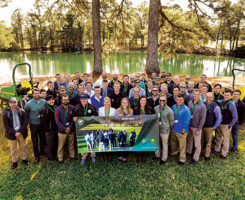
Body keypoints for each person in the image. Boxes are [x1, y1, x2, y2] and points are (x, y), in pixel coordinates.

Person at [3, 97, 30, 170]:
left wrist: (20, 131)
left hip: (21, 133)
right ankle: (14, 162)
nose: (13, 104)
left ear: (17, 103)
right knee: (13, 149)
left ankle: (24, 159)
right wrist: (14, 132)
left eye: (14, 102)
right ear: (9, 104)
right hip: (12, 134)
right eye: (11, 103)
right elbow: (6, 126)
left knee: (23, 147)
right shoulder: (6, 113)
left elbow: (25, 122)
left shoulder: (22, 111)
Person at [73, 93, 98, 164]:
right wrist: (74, 118)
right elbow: (73, 116)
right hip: (81, 129)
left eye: (85, 99)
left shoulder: (92, 107)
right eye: (82, 99)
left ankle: (93, 155)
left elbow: (96, 117)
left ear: (87, 99)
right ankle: (83, 156)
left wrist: (94, 117)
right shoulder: (76, 108)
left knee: (92, 140)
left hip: (90, 129)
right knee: (84, 142)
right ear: (80, 100)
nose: (83, 100)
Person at [215, 89, 238, 159]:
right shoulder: (221, 102)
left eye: (227, 95)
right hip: (219, 123)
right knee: (218, 137)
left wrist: (230, 125)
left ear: (231, 96)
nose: (226, 96)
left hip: (226, 125)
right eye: (225, 95)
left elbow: (235, 117)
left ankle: (224, 153)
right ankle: (217, 149)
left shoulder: (231, 105)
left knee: (226, 140)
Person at [24, 88, 46, 162]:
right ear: (33, 94)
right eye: (35, 93)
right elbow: (26, 114)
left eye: (38, 93)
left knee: (42, 139)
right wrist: (27, 124)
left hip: (42, 124)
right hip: (34, 125)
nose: (36, 95)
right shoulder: (28, 104)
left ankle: (42, 152)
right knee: (35, 140)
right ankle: (36, 155)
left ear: (40, 93)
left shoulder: (44, 102)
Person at [187, 89, 207, 165]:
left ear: (200, 95)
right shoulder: (189, 103)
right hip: (189, 126)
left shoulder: (202, 106)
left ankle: (195, 158)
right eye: (194, 94)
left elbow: (203, 119)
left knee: (197, 144)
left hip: (196, 127)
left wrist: (199, 129)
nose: (195, 96)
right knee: (189, 140)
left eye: (197, 94)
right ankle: (188, 152)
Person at [171, 94, 191, 165]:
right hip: (174, 129)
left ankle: (182, 159)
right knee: (174, 143)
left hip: (181, 131)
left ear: (183, 100)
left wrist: (182, 132)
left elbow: (186, 122)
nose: (179, 101)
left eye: (180, 100)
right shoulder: (173, 107)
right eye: (178, 99)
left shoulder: (186, 109)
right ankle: (175, 152)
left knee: (182, 146)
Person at [154, 94, 174, 165]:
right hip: (156, 129)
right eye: (160, 100)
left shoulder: (169, 110)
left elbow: (171, 122)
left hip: (165, 130)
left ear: (166, 101)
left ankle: (164, 158)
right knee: (157, 143)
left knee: (164, 144)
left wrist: (169, 129)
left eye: (163, 100)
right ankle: (157, 155)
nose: (162, 101)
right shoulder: (156, 108)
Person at [55, 94, 75, 164]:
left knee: (71, 144)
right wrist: (64, 128)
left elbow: (73, 119)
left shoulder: (72, 108)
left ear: (68, 100)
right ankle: (60, 158)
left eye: (66, 100)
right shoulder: (57, 109)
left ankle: (72, 156)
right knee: (61, 145)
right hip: (61, 131)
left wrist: (69, 127)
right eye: (64, 100)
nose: (65, 101)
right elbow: (57, 121)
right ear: (61, 100)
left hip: (71, 130)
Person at [133, 95, 154, 162]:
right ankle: (138, 155)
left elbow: (153, 118)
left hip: (146, 128)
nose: (143, 102)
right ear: (139, 101)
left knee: (145, 141)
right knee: (138, 141)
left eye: (144, 100)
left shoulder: (150, 109)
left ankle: (144, 155)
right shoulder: (135, 109)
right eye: (142, 100)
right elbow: (133, 119)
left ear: (146, 101)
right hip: (138, 128)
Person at [202, 92, 222, 161]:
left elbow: (219, 119)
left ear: (212, 98)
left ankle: (207, 155)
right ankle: (201, 152)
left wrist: (214, 127)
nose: (208, 98)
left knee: (208, 142)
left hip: (210, 127)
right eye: (207, 97)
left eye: (210, 97)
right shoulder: (203, 104)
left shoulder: (216, 106)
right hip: (202, 126)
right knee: (201, 141)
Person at [98, 97, 118, 161]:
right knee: (104, 140)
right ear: (103, 102)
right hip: (103, 128)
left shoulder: (114, 110)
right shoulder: (100, 109)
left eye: (108, 101)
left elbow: (116, 120)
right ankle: (104, 154)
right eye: (105, 102)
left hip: (110, 128)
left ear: (110, 102)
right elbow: (99, 119)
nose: (107, 103)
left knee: (110, 140)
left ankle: (110, 154)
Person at [40, 95, 58, 161]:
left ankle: (55, 154)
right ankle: (50, 157)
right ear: (47, 101)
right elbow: (43, 121)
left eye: (53, 99)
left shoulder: (56, 107)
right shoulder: (45, 109)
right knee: (50, 144)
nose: (52, 101)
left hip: (56, 128)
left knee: (55, 142)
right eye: (49, 100)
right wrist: (46, 130)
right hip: (49, 130)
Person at [117, 98, 133, 162]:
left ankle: (125, 156)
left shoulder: (131, 111)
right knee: (120, 141)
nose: (124, 104)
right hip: (120, 129)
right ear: (121, 103)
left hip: (127, 129)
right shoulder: (117, 110)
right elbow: (115, 120)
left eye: (126, 102)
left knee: (126, 141)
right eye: (123, 103)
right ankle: (120, 154)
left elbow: (133, 120)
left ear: (128, 103)